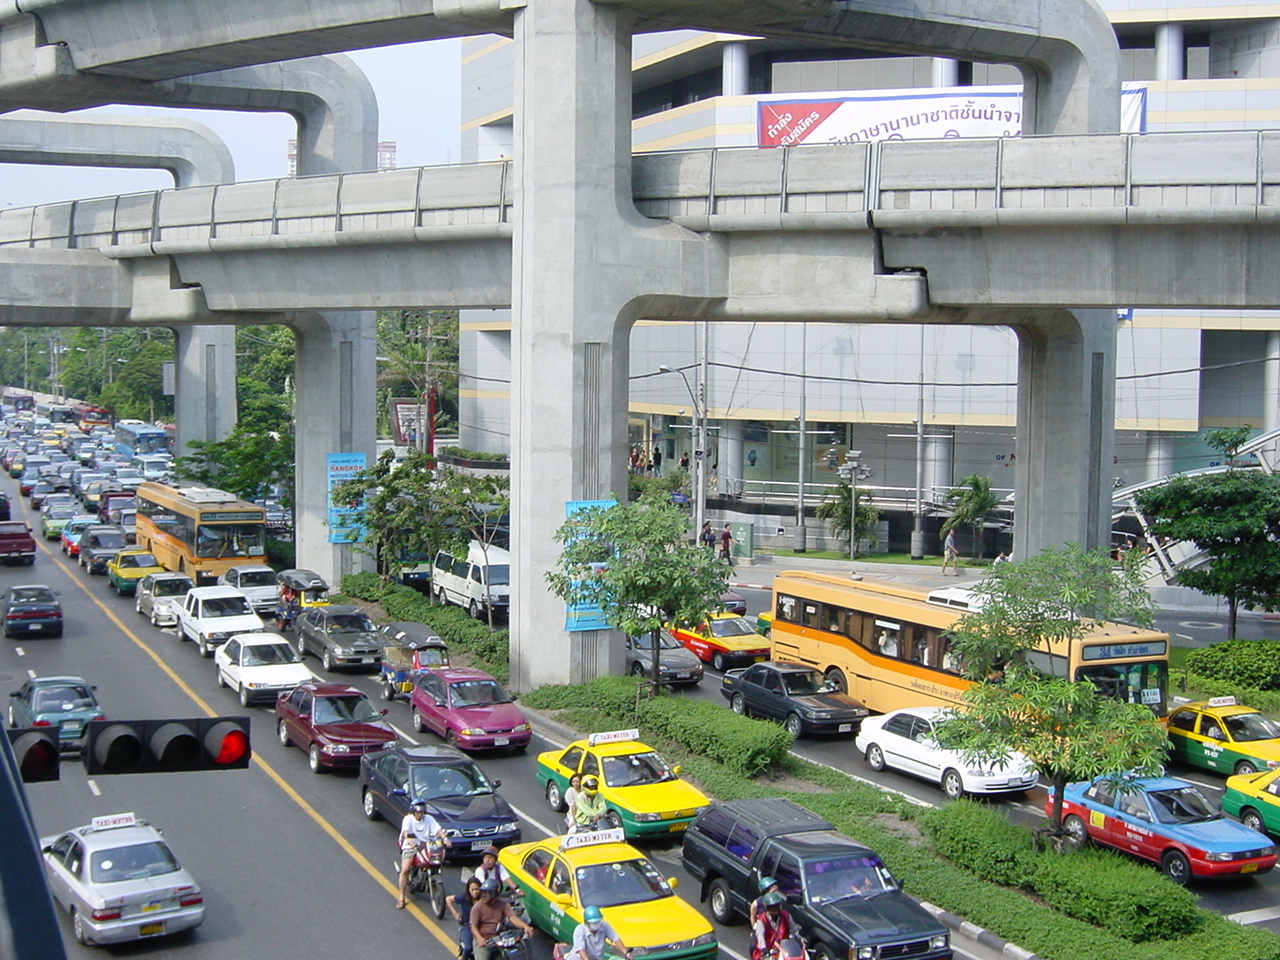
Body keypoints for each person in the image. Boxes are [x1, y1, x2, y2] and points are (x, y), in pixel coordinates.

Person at [397, 798, 450, 909]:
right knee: (405, 870)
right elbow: (406, 833)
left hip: (426, 845)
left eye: (422, 812)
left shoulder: (429, 819)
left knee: (436, 860)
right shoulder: (408, 819)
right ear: (413, 812)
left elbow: (438, 830)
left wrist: (445, 839)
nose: (420, 814)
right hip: (410, 846)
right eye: (418, 812)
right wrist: (411, 842)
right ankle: (401, 896)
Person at [471, 879, 534, 960]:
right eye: (483, 893)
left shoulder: (502, 904)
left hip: (499, 937)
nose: (484, 895)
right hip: (485, 940)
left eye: (487, 893)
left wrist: (525, 926)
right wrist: (480, 938)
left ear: (494, 893)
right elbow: (473, 926)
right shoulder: (477, 907)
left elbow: (512, 917)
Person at [566, 905, 632, 960]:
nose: (596, 925)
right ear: (587, 923)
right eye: (593, 923)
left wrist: (626, 953)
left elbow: (615, 939)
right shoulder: (580, 930)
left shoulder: (604, 925)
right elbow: (581, 949)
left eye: (597, 922)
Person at [751, 891, 795, 960]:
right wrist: (764, 949)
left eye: (777, 906)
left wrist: (798, 941)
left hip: (784, 951)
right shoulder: (762, 919)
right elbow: (760, 936)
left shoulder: (786, 915)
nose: (776, 909)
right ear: (767, 908)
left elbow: (794, 931)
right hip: (768, 952)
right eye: (772, 907)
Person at [448, 877, 483, 959]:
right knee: (468, 948)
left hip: (481, 926)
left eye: (477, 889)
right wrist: (454, 913)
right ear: (468, 890)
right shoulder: (464, 897)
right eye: (472, 890)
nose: (475, 892)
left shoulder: (484, 899)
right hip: (467, 926)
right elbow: (448, 899)